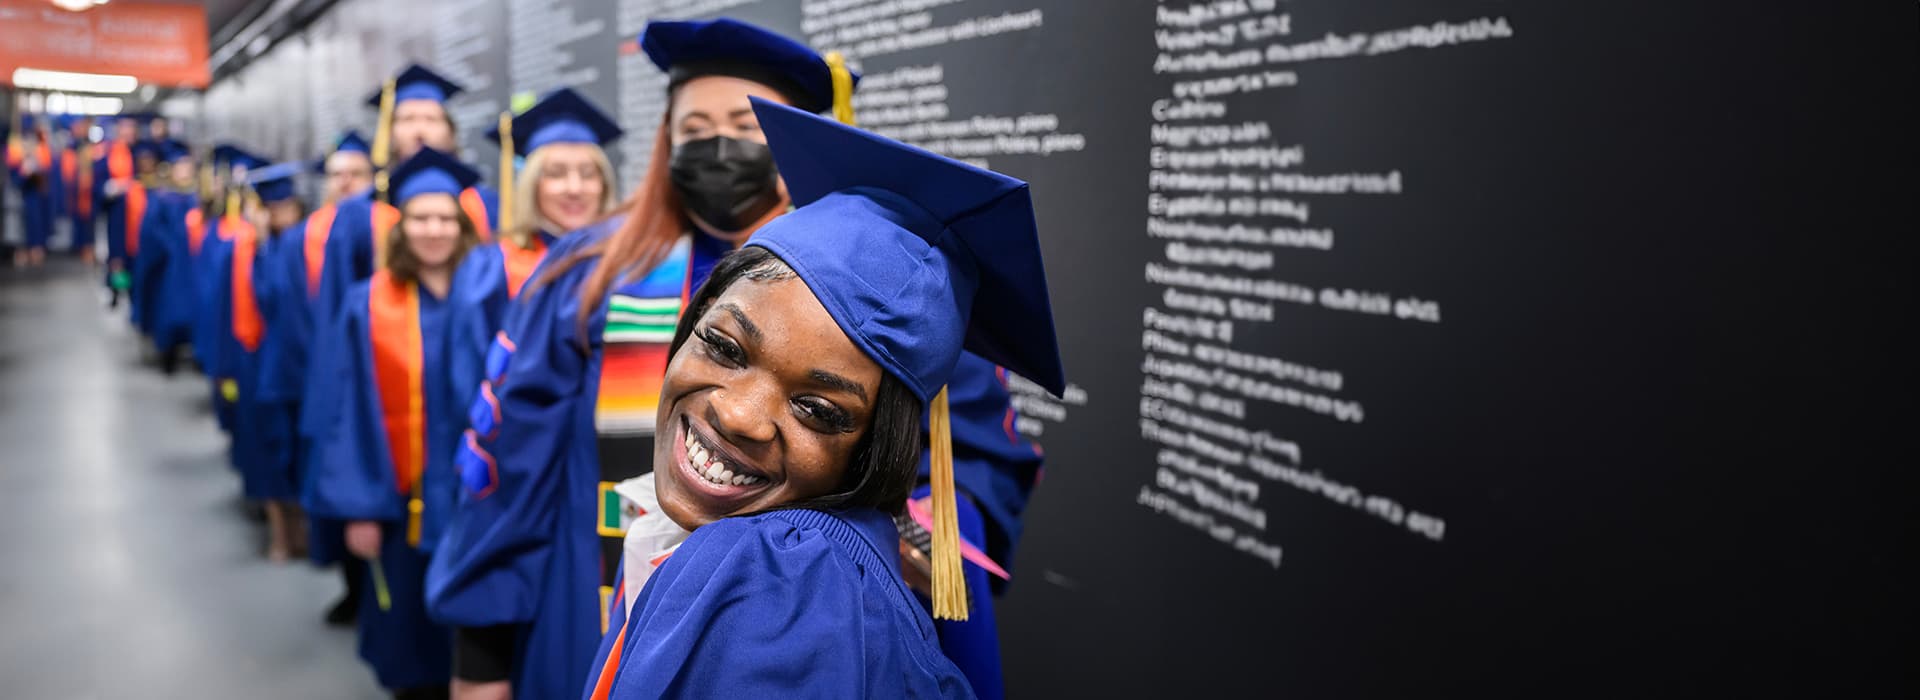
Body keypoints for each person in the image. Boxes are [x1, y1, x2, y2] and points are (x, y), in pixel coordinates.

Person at [424, 19, 852, 700]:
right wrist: (481, 652)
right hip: (591, 613)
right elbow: (507, 465)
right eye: (694, 128)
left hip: (791, 644)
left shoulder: (857, 290)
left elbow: (945, 472)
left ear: (795, 138)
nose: (718, 146)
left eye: (747, 125)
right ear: (666, 141)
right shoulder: (587, 272)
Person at [587, 97, 1064, 699]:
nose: (738, 413)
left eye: (817, 409)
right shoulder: (791, 557)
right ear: (699, 315)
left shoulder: (776, 582)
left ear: (876, 447)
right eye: (726, 347)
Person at [303, 148, 484, 700]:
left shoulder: (489, 296)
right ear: (400, 227)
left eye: (445, 218)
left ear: (462, 226)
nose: (434, 230)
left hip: (477, 500)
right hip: (402, 502)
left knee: (479, 634)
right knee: (410, 634)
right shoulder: (367, 303)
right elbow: (345, 412)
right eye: (421, 218)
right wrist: (359, 509)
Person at [262, 130, 376, 623]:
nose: (345, 182)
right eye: (336, 175)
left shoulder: (385, 227)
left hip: (374, 377)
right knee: (340, 495)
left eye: (356, 173)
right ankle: (352, 590)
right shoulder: (304, 237)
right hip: (324, 379)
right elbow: (291, 315)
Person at [132, 139, 202, 374]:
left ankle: (195, 352)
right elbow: (150, 231)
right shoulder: (162, 198)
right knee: (169, 311)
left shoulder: (199, 198)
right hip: (169, 269)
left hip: (192, 266)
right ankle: (167, 354)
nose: (185, 170)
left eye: (188, 165)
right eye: (180, 166)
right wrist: (170, 247)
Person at [96, 114, 150, 308]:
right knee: (118, 255)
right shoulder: (108, 154)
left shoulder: (142, 153)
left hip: (139, 215)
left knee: (135, 254)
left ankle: (134, 293)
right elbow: (98, 185)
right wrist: (112, 187)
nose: (128, 132)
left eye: (132, 128)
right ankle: (118, 291)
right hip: (118, 214)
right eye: (125, 128)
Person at [6, 115, 56, 267]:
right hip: (18, 198)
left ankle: (36, 248)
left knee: (35, 223)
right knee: (18, 227)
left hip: (35, 196)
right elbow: (14, 181)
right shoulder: (15, 153)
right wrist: (23, 172)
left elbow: (46, 176)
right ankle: (21, 250)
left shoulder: (41, 152)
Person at [61, 115, 97, 265]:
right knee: (79, 219)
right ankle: (80, 246)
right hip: (77, 188)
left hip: (89, 189)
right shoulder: (72, 145)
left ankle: (87, 247)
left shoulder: (89, 143)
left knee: (89, 219)